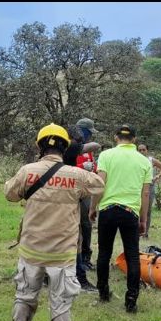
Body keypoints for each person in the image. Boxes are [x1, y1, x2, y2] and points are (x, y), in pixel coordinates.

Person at [5, 124, 104, 321]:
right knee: (61, 302)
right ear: (65, 148)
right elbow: (99, 185)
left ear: (40, 146)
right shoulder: (79, 176)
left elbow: (10, 194)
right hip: (62, 253)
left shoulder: (27, 171)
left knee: (25, 295)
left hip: (31, 249)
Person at [90, 124, 152, 313]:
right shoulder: (144, 161)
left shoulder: (106, 155)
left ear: (116, 137)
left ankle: (103, 292)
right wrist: (143, 220)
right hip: (130, 212)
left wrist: (93, 208)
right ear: (134, 139)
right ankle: (131, 300)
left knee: (104, 253)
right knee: (133, 256)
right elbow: (146, 193)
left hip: (108, 210)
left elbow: (99, 183)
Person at [62, 118, 101, 292]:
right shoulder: (69, 147)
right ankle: (79, 276)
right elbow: (94, 145)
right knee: (73, 235)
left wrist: (91, 167)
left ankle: (82, 262)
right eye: (88, 132)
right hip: (70, 192)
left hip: (78, 190)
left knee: (82, 228)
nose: (89, 136)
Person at [137, 143, 161, 238]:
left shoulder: (151, 160)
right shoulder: (134, 159)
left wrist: (157, 176)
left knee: (147, 210)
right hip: (137, 186)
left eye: (143, 150)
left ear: (147, 151)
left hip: (149, 186)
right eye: (139, 150)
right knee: (136, 209)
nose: (142, 152)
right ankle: (135, 232)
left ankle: (145, 233)